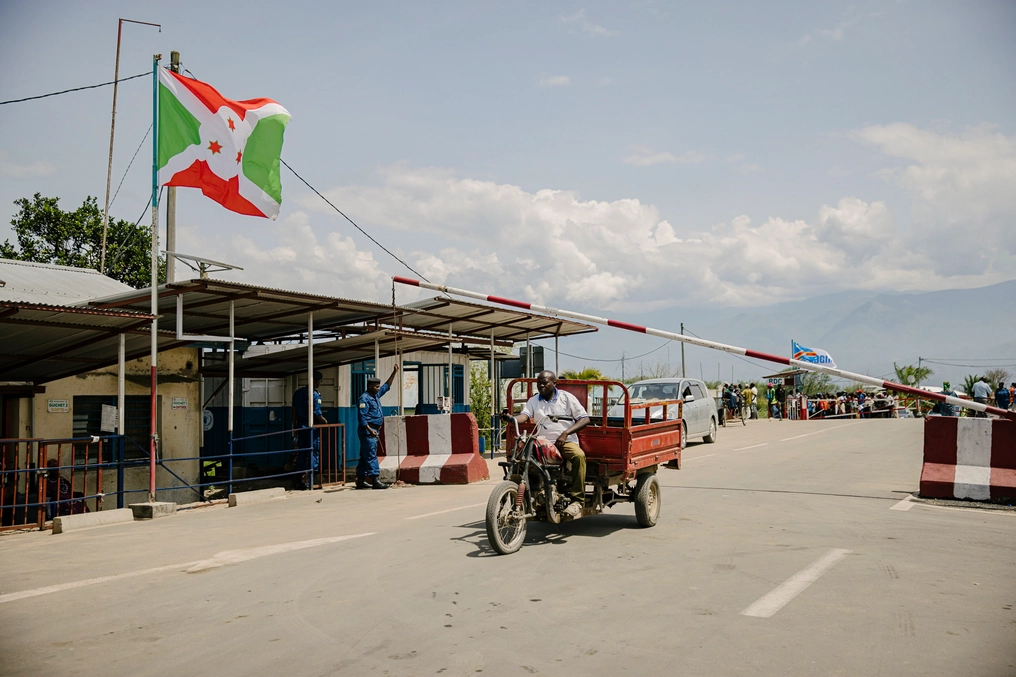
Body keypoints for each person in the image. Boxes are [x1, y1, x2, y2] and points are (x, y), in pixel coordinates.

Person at [502, 370, 589, 517]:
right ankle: (518, 494)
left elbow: (584, 418)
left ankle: (577, 501)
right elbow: (525, 415)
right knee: (519, 457)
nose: (541, 386)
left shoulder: (567, 398)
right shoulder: (534, 400)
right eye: (539, 383)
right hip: (541, 441)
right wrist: (512, 419)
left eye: (545, 382)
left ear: (554, 383)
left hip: (564, 442)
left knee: (579, 456)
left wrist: (566, 433)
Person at [356, 365, 400, 490]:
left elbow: (387, 386)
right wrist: (371, 431)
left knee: (365, 456)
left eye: (378, 386)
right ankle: (375, 479)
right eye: (376, 387)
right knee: (370, 455)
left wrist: (394, 372)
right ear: (370, 387)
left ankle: (361, 480)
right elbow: (362, 420)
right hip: (368, 431)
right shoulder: (364, 399)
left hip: (374, 430)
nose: (378, 388)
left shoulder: (375, 395)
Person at [293, 370, 327, 490]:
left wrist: (294, 427)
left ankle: (299, 479)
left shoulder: (298, 393)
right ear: (316, 381)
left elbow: (294, 412)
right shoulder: (315, 395)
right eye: (319, 381)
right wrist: (324, 421)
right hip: (312, 428)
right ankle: (311, 479)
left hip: (301, 426)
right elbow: (317, 413)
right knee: (313, 452)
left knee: (302, 453)